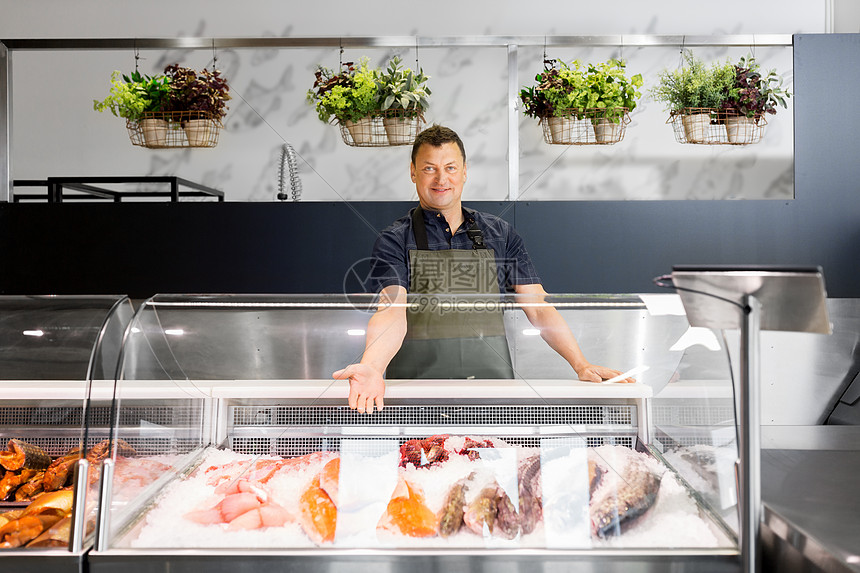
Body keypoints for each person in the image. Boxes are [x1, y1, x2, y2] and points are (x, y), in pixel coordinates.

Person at [333, 125, 632, 413]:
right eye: (429, 168)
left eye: (450, 167)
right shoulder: (395, 239)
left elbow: (539, 307)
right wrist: (372, 367)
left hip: (491, 396)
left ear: (464, 172)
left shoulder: (500, 234)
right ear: (413, 172)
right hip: (416, 397)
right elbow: (391, 311)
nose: (441, 179)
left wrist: (580, 363)